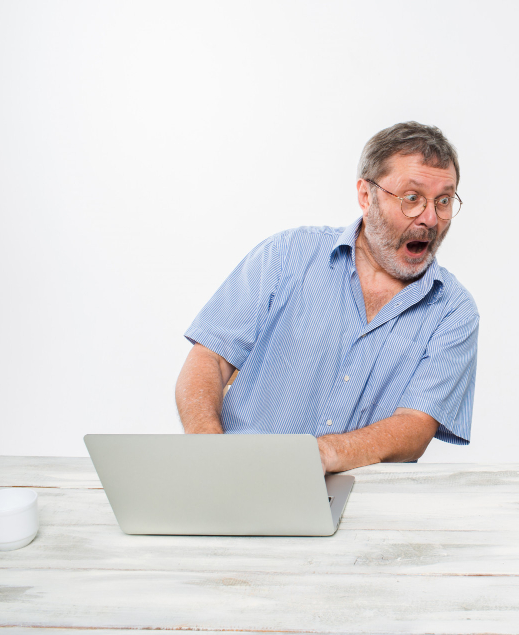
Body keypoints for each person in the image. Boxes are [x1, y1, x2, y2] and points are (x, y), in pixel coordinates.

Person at [176, 122, 479, 473]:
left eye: (443, 201)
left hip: (363, 506)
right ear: (367, 195)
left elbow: (415, 425)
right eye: (412, 198)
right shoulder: (286, 255)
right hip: (238, 478)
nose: (430, 218)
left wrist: (315, 458)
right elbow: (209, 359)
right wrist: (206, 449)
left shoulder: (454, 311)